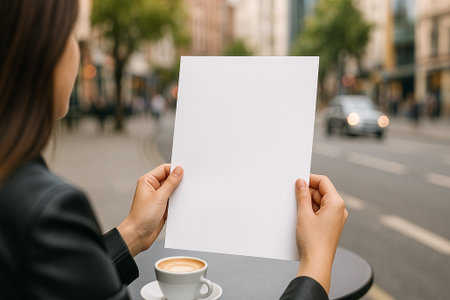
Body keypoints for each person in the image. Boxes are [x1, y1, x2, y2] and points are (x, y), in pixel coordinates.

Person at [0, 1, 347, 299]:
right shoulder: (50, 210)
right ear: (41, 51)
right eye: (71, 37)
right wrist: (316, 266)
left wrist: (133, 232)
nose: (77, 51)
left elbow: (62, 285)